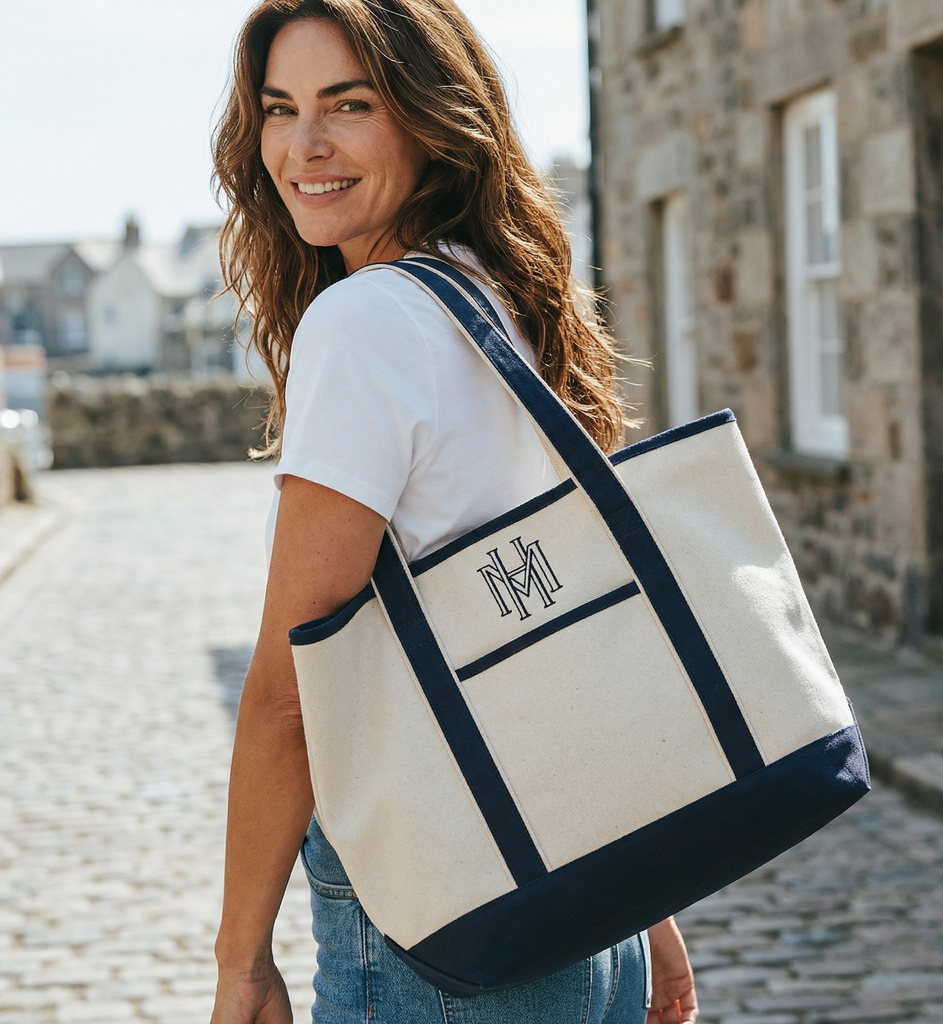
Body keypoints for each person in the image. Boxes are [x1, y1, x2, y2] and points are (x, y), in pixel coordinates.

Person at [209, 2, 700, 1021]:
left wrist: (239, 960)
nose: (305, 146)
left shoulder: (365, 323)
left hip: (445, 928)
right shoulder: (495, 300)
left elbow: (292, 697)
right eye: (279, 109)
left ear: (428, 119)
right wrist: (646, 907)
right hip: (584, 904)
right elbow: (573, 626)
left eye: (349, 104)